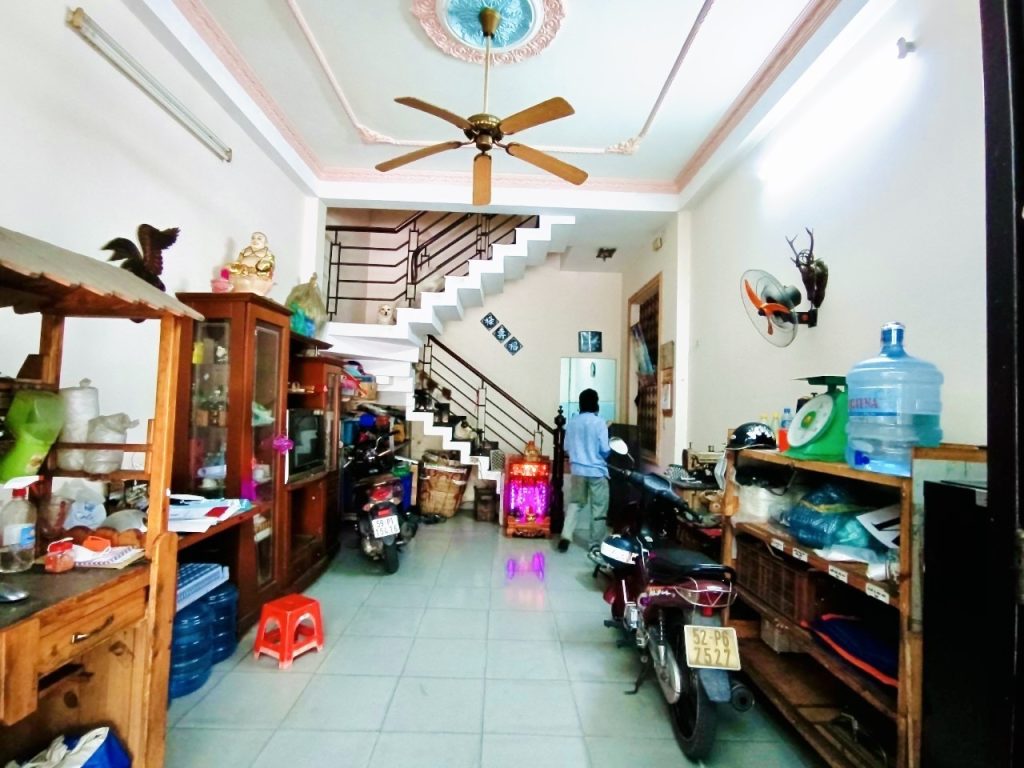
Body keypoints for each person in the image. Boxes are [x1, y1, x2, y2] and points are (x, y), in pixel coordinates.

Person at [558, 388, 610, 554]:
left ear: (580, 404)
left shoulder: (572, 423)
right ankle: (594, 544)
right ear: (596, 403)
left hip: (578, 470)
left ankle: (565, 537)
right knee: (598, 508)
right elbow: (605, 449)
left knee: (575, 504)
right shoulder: (600, 423)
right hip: (597, 472)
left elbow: (566, 448)